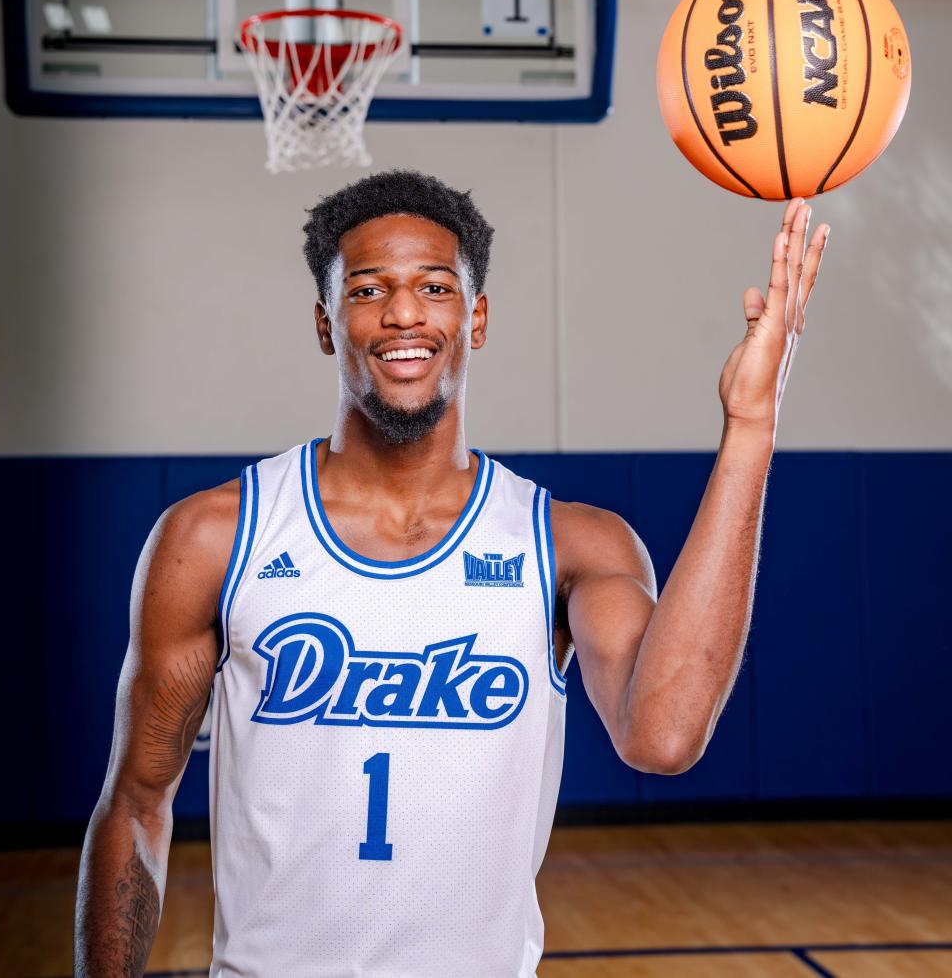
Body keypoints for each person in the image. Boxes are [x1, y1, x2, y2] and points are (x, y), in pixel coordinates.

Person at [73, 169, 829, 977]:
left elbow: (665, 737)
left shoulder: (570, 546)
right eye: (368, 291)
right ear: (327, 324)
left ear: (477, 318)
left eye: (435, 287)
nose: (404, 312)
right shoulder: (215, 536)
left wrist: (751, 426)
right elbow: (137, 802)